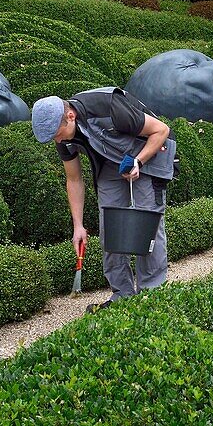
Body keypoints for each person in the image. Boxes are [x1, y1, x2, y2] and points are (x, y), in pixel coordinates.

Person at [32, 87, 176, 313]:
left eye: (57, 134)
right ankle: (123, 295)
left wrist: (138, 161)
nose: (56, 140)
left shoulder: (108, 106)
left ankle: (152, 295)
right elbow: (74, 179)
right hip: (110, 163)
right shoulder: (62, 136)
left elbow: (161, 130)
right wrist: (78, 226)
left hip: (151, 152)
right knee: (110, 225)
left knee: (147, 225)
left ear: (70, 116)